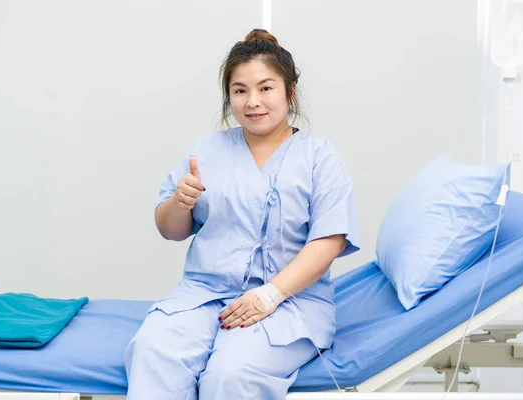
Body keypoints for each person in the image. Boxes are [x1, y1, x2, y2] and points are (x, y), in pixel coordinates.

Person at [124, 28, 360, 400]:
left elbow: (329, 241)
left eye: (266, 88)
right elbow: (170, 230)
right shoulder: (207, 150)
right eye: (240, 90)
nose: (253, 102)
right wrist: (179, 203)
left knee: (231, 376)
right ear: (229, 96)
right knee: (152, 352)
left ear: (289, 92)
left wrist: (270, 295)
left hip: (289, 302)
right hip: (204, 296)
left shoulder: (320, 158)